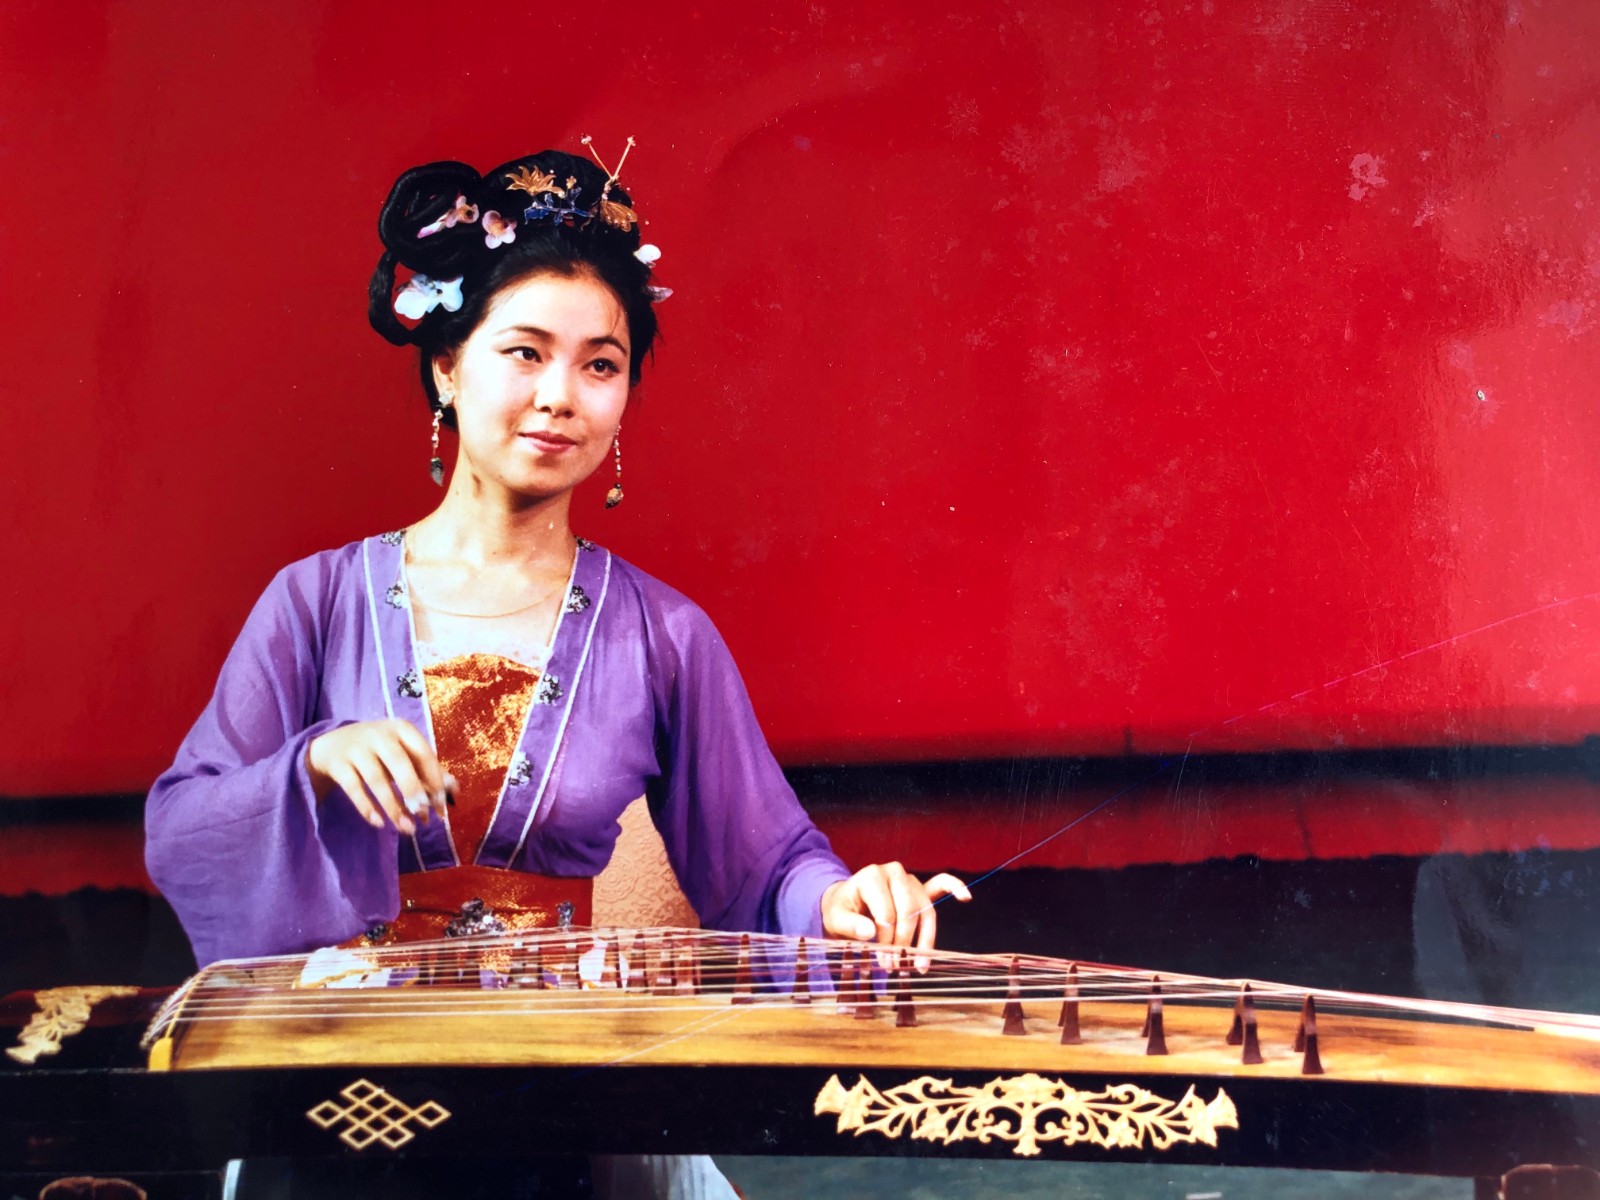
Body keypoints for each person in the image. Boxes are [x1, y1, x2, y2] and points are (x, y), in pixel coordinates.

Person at [143, 145, 968, 1198]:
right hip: (340, 1086)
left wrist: (843, 903)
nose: (559, 397)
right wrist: (311, 765)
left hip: (563, 1086)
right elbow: (184, 825)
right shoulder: (315, 603)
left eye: (600, 364)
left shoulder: (662, 635)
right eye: (524, 352)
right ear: (447, 368)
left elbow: (765, 867)